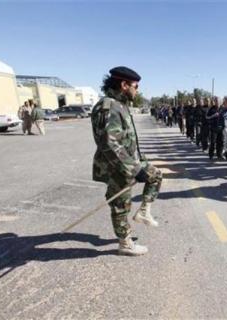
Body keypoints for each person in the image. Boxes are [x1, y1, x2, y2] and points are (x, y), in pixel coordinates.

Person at [91, 66, 162, 256]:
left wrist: (141, 162)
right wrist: (133, 169)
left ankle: (144, 211)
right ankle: (125, 243)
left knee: (155, 175)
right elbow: (109, 144)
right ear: (124, 85)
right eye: (135, 86)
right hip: (117, 167)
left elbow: (127, 139)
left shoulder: (120, 105)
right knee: (121, 205)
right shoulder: (108, 106)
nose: (136, 90)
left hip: (130, 161)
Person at [219, 96, 227, 160]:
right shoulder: (222, 111)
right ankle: (225, 152)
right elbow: (220, 119)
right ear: (224, 103)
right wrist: (220, 126)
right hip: (225, 128)